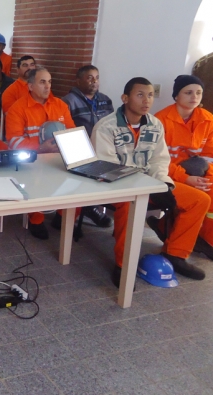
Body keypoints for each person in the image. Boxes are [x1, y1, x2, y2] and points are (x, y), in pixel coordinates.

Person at [92, 77, 210, 286]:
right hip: (118, 187)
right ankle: (123, 265)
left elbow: (159, 160)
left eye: (150, 95)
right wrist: (146, 187)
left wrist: (164, 184)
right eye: (140, 95)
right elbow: (107, 167)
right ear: (125, 98)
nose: (146, 100)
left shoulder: (154, 124)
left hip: (150, 183)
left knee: (199, 200)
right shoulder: (106, 126)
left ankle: (176, 254)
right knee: (132, 206)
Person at [6, 67, 76, 240]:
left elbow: (73, 132)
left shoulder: (60, 105)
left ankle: (63, 216)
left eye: (50, 82)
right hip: (32, 159)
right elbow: (14, 141)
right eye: (42, 82)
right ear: (30, 86)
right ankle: (36, 218)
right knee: (35, 176)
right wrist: (40, 147)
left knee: (78, 176)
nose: (47, 86)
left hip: (59, 157)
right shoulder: (18, 108)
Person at [155, 75, 213, 260]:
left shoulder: (208, 119)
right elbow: (156, 160)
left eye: (198, 93)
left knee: (210, 188)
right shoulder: (160, 120)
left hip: (196, 172)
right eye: (188, 92)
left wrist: (205, 179)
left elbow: (210, 156)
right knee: (199, 199)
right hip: (167, 174)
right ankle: (176, 248)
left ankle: (205, 238)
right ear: (176, 96)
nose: (194, 97)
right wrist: (186, 178)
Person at [62, 64, 115, 228]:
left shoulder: (105, 100)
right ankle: (86, 209)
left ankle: (93, 207)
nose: (94, 81)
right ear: (78, 81)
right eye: (89, 78)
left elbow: (113, 124)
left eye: (97, 78)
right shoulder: (68, 101)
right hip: (79, 150)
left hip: (103, 148)